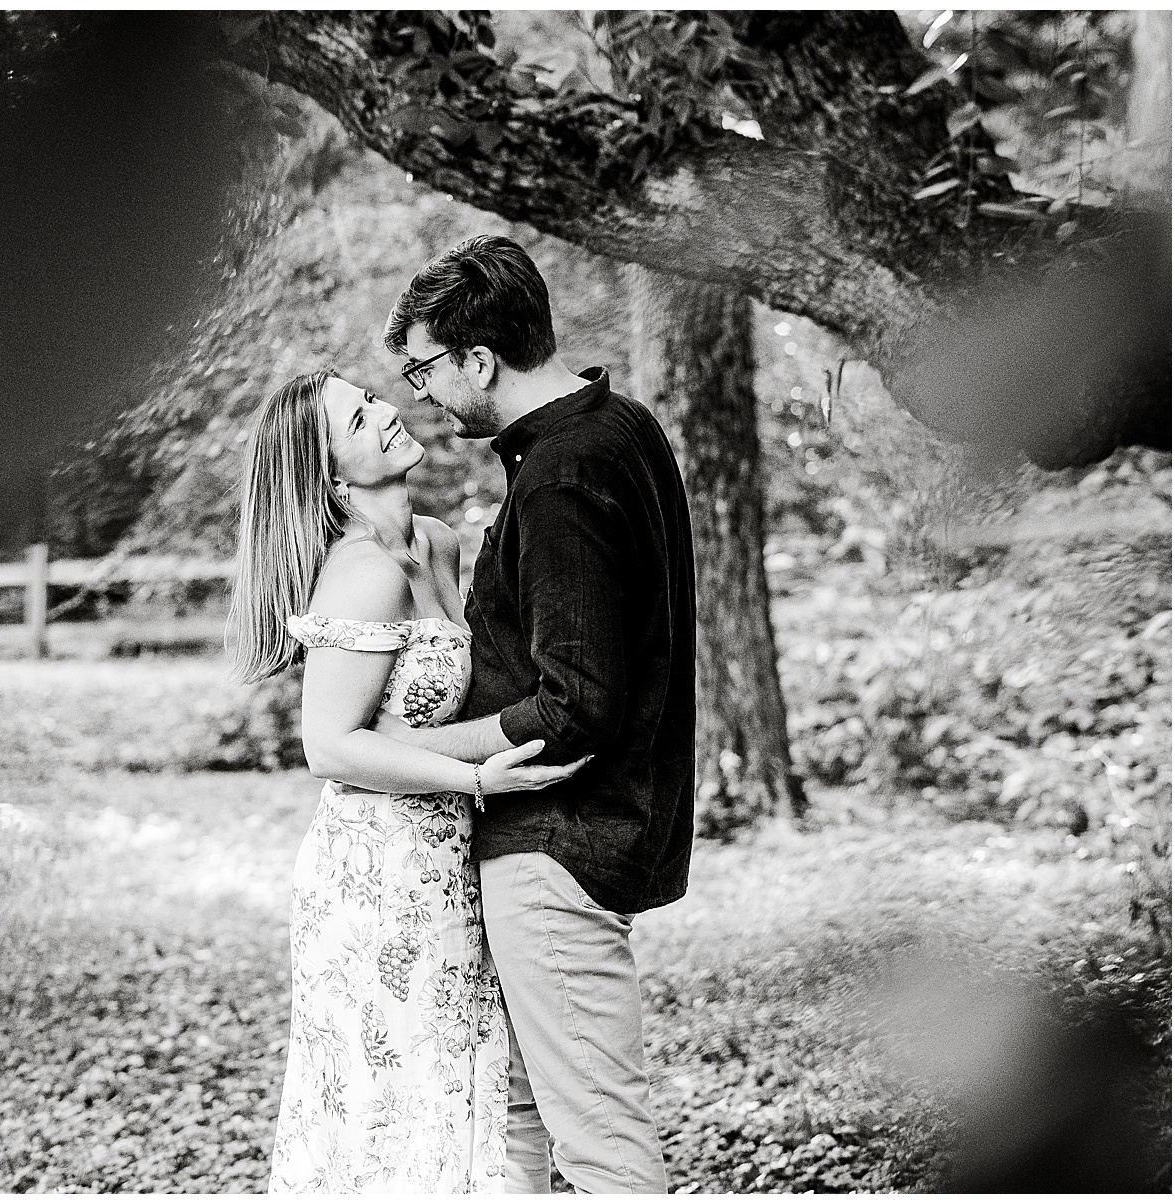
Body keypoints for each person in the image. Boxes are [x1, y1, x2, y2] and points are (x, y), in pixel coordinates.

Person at [375, 233, 697, 1194]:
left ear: (480, 358)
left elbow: (576, 702)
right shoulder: (617, 427)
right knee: (516, 1119)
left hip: (560, 845)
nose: (418, 393)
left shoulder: (562, 476)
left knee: (599, 1145)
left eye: (424, 368)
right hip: (561, 840)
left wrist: (422, 747)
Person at [227, 369, 586, 1193]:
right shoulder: (362, 571)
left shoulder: (435, 542)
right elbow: (330, 745)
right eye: (359, 417)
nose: (389, 411)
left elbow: (418, 712)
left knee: (466, 1076)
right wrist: (479, 780)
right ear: (328, 471)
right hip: (378, 869)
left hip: (452, 853)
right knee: (400, 1088)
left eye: (374, 397)